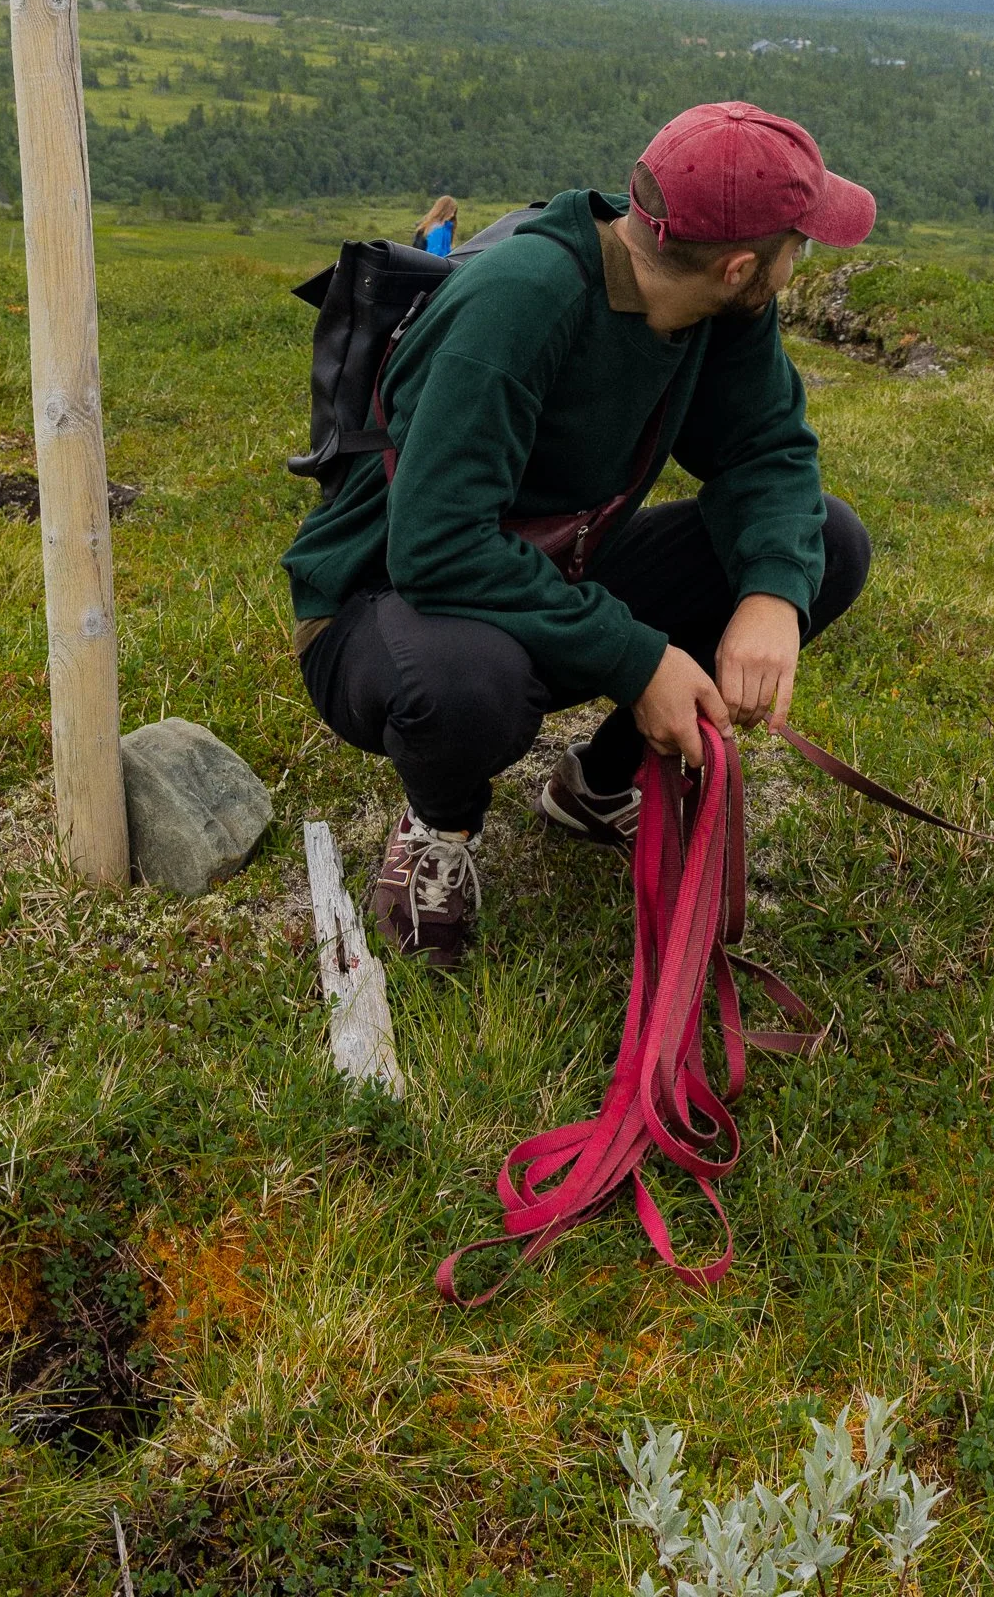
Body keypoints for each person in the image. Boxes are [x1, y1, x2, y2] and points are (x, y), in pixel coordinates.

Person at [284, 100, 877, 965]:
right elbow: (438, 548)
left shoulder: (729, 310)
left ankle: (599, 790)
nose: (803, 258)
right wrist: (639, 656)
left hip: (549, 570)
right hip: (382, 604)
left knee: (828, 544)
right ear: (743, 264)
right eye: (802, 243)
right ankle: (438, 831)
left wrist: (771, 595)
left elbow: (766, 450)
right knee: (466, 680)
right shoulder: (518, 305)